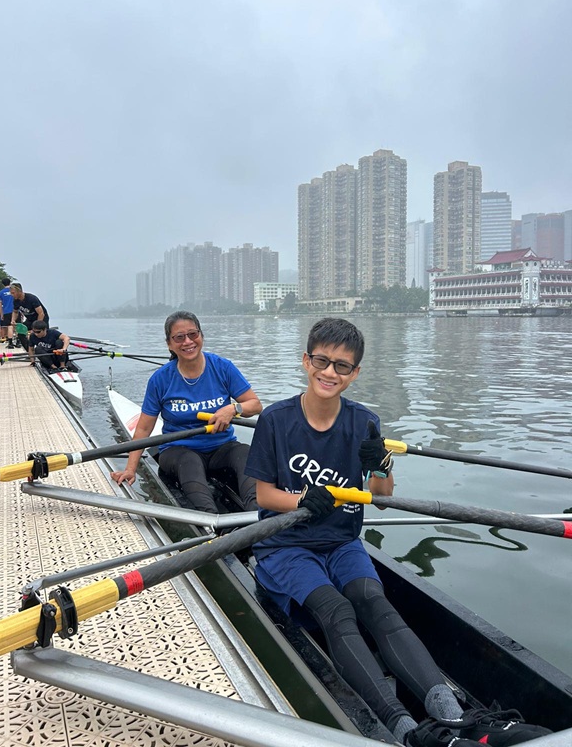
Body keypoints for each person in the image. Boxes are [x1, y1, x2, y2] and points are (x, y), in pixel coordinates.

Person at [244, 318, 550, 747]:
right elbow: (263, 495)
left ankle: (454, 717)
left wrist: (383, 465)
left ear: (355, 374)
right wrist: (302, 501)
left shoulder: (365, 422)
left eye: (342, 366)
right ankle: (405, 730)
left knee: (374, 601)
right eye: (322, 361)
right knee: (337, 610)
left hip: (342, 541)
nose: (330, 372)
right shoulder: (276, 420)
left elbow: (382, 495)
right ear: (306, 361)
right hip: (286, 546)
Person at [111, 311, 262, 513]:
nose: (188, 341)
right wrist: (131, 469)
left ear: (201, 336)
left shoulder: (222, 367)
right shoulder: (161, 379)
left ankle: (260, 515)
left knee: (245, 452)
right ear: (170, 344)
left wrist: (233, 408)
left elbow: (255, 405)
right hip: (177, 451)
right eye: (179, 337)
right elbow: (144, 429)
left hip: (221, 447)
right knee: (189, 461)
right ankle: (210, 522)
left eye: (193, 334)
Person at [0, 278, 15, 348]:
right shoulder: (13, 291)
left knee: (9, 326)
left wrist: (1, 314)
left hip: (6, 311)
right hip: (15, 311)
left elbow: (0, 305)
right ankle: (18, 341)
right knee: (15, 326)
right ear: (10, 283)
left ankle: (10, 342)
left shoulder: (1, 292)